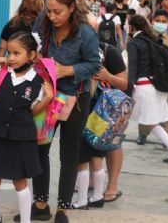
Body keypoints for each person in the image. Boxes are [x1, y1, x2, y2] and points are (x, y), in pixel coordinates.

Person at [14, 0, 100, 222]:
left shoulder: (86, 33)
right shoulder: (43, 22)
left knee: (69, 154)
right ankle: (40, 205)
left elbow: (94, 65)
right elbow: (30, 45)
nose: (52, 16)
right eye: (49, 11)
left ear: (72, 8)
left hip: (75, 100)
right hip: (45, 97)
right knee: (40, 150)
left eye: (58, 12)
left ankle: (63, 209)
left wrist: (68, 70)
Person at [0, 31, 54, 223]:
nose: (11, 57)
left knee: (20, 181)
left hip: (22, 137)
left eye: (17, 53)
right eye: (9, 53)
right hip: (0, 135)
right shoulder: (1, 74)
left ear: (31, 55)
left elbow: (32, 111)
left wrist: (47, 98)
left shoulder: (38, 81)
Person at [73, 42, 128, 209]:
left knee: (83, 157)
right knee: (97, 155)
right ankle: (97, 196)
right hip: (100, 117)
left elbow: (125, 84)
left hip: (99, 116)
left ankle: (87, 198)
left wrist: (108, 76)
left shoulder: (109, 52)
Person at [127, 15, 168, 163]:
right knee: (150, 121)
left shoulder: (134, 43)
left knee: (145, 120)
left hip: (143, 86)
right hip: (158, 86)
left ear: (132, 27)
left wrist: (128, 86)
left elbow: (132, 67)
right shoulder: (153, 39)